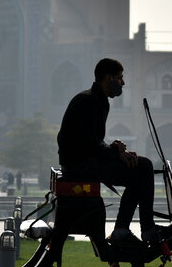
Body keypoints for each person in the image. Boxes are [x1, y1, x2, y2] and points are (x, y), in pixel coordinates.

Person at [57, 58, 163, 246]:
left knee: (138, 173)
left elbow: (92, 141)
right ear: (108, 78)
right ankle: (145, 229)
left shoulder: (96, 100)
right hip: (80, 166)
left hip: (82, 163)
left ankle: (124, 230)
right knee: (144, 166)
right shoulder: (89, 100)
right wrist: (116, 153)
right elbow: (87, 144)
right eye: (120, 78)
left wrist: (114, 148)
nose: (123, 83)